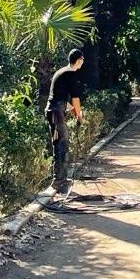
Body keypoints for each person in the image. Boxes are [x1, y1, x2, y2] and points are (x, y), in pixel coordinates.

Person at [46, 49, 84, 196]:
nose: (83, 63)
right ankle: (58, 182)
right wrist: (79, 115)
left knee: (61, 144)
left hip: (56, 109)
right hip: (56, 113)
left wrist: (73, 111)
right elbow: (75, 98)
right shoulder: (71, 74)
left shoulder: (63, 72)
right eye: (82, 60)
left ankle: (61, 180)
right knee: (61, 145)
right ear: (79, 60)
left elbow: (61, 98)